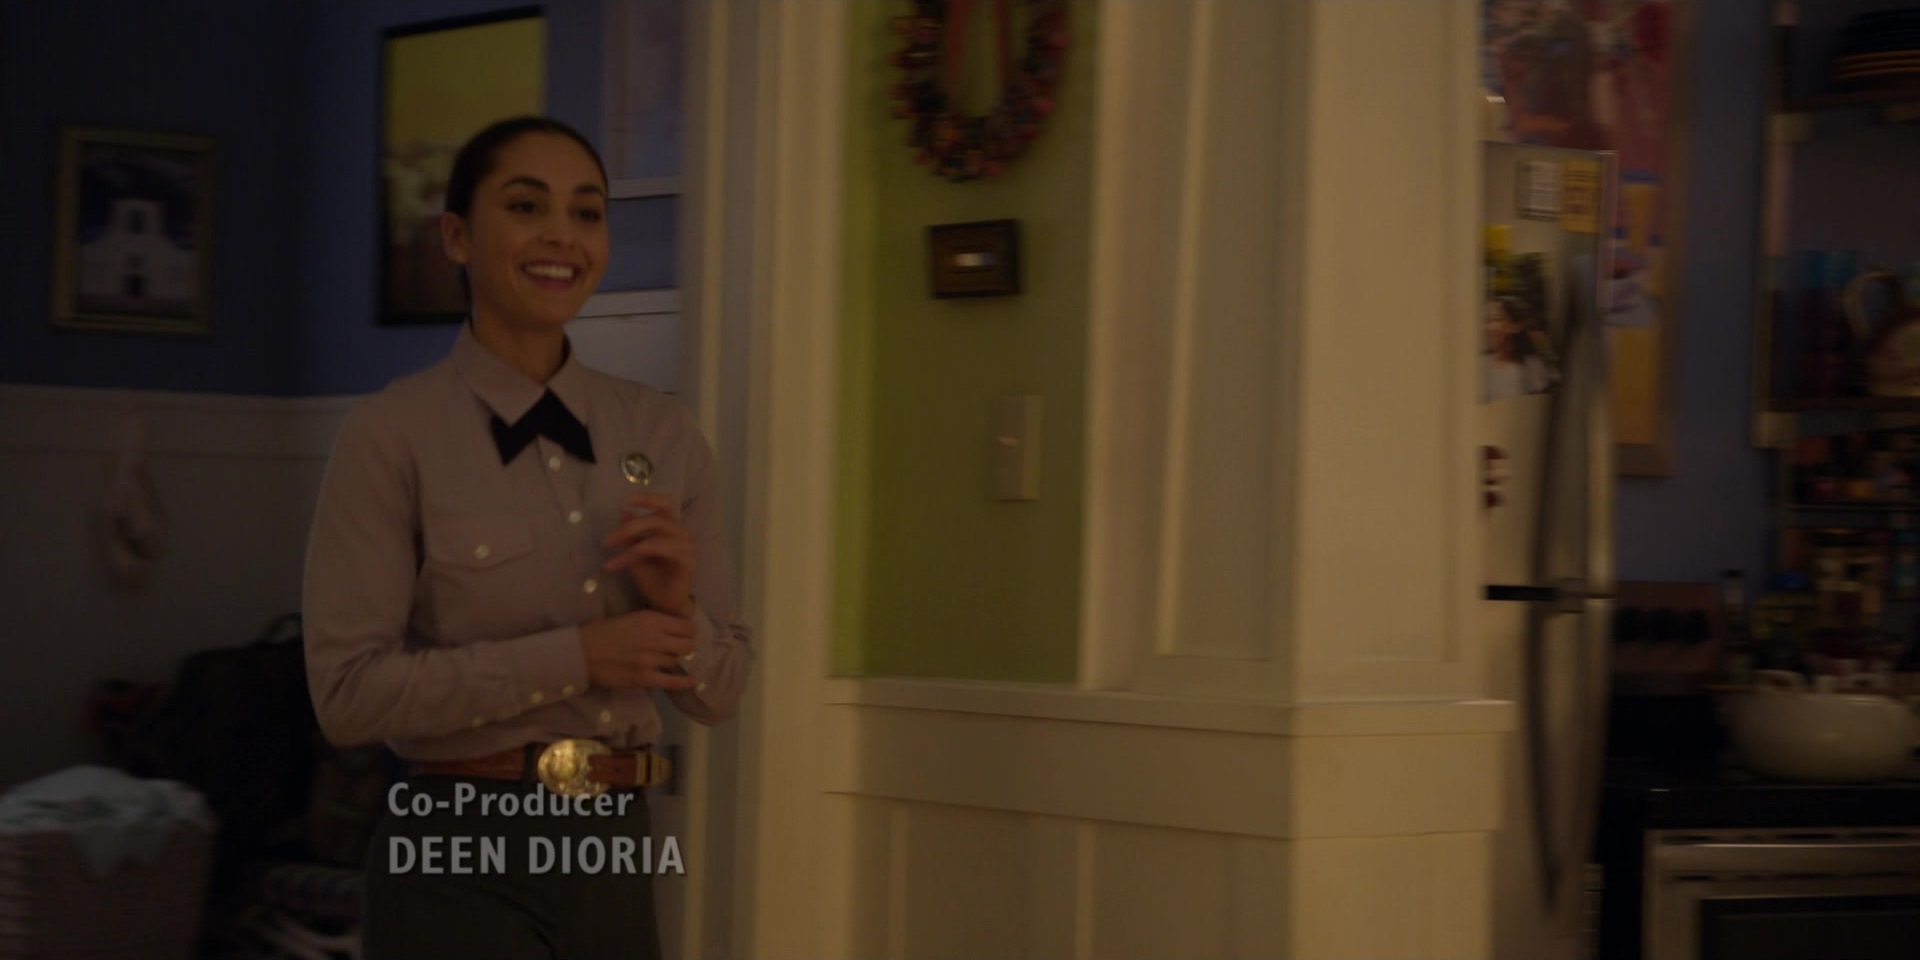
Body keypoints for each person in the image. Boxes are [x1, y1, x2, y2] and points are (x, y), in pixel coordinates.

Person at [302, 115, 753, 960]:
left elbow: (721, 694)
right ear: (457, 237)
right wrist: (579, 657)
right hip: (454, 851)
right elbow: (348, 697)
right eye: (525, 205)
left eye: (587, 212)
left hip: (615, 847)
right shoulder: (389, 435)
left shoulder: (664, 433)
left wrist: (678, 607)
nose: (561, 236)